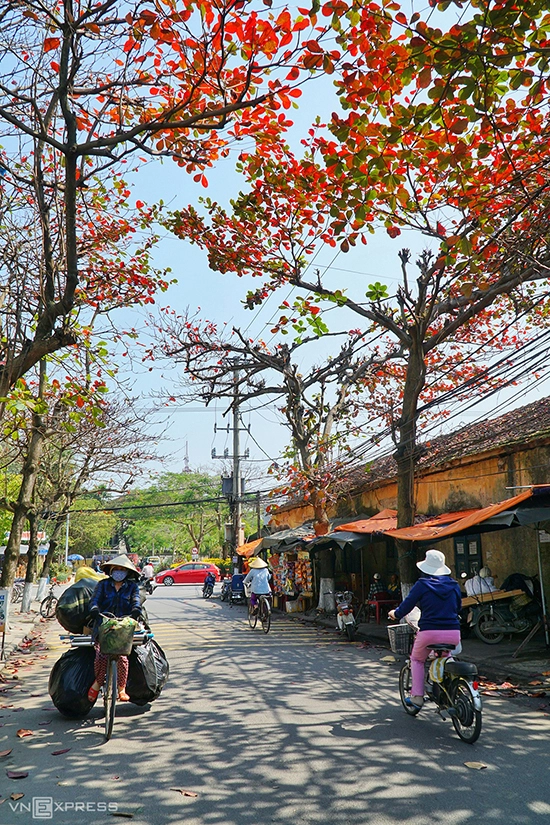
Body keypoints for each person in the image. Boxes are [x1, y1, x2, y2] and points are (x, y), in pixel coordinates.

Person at [388, 549, 461, 710]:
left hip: (429, 633)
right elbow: (458, 607)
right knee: (445, 656)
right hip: (454, 633)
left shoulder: (422, 584)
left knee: (417, 660)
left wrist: (395, 613)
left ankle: (417, 696)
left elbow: (407, 605)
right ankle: (448, 690)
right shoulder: (454, 585)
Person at [87, 555, 142, 704]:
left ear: (127, 572)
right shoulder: (103, 585)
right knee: (101, 656)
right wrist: (94, 609)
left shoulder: (132, 587)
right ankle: (98, 684)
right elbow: (95, 600)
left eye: (122, 570)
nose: (119, 572)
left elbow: (136, 600)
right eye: (116, 569)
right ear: (111, 571)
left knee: (122, 657)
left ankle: (121, 689)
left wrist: (136, 610)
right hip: (103, 625)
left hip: (123, 627)